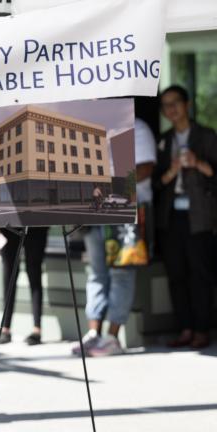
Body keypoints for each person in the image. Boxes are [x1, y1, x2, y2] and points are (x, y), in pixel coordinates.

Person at [73, 117, 157, 357]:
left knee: (122, 272)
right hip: (95, 210)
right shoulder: (93, 127)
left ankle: (113, 337)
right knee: (97, 272)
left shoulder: (137, 127)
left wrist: (108, 186)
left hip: (126, 210)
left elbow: (145, 168)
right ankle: (93, 335)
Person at [153, 85, 217, 349]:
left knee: (200, 274)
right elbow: (156, 183)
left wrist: (197, 163)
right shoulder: (164, 139)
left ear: (187, 104)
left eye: (175, 103)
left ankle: (203, 329)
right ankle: (185, 328)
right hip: (171, 218)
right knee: (176, 274)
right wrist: (172, 171)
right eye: (166, 105)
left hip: (199, 215)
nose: (171, 109)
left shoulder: (206, 135)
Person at [0, 227, 49, 345]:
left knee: (34, 274)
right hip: (9, 223)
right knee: (9, 276)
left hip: (36, 223)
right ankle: (5, 328)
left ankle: (37, 329)